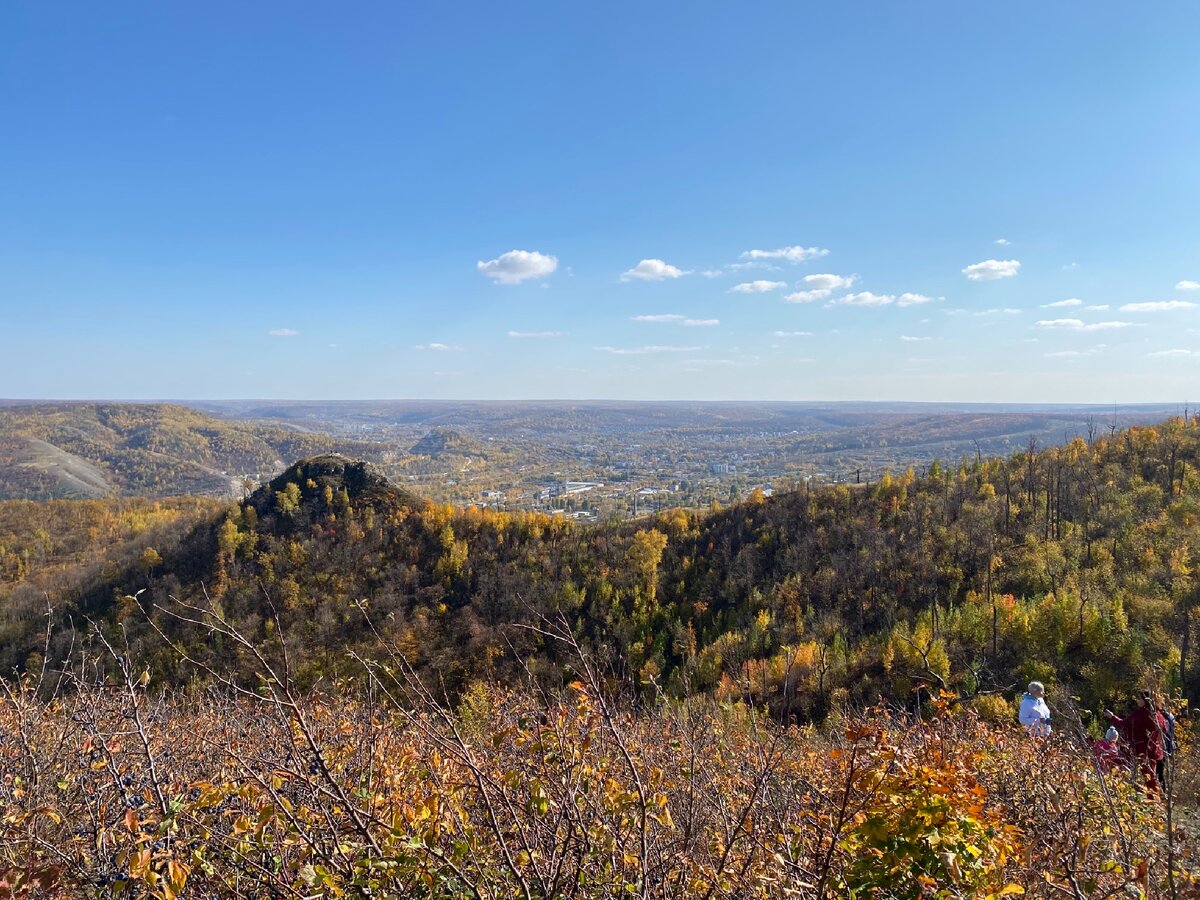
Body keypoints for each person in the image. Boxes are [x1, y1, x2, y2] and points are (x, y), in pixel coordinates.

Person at [1106, 691, 1167, 793]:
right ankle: (1161, 800)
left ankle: (1154, 802)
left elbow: (1124, 724)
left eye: (1140, 699)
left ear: (1145, 701)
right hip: (1157, 751)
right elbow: (1164, 730)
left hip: (1143, 750)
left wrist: (1112, 717)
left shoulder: (1140, 714)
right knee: (1157, 779)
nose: (1138, 701)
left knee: (1149, 779)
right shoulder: (1159, 715)